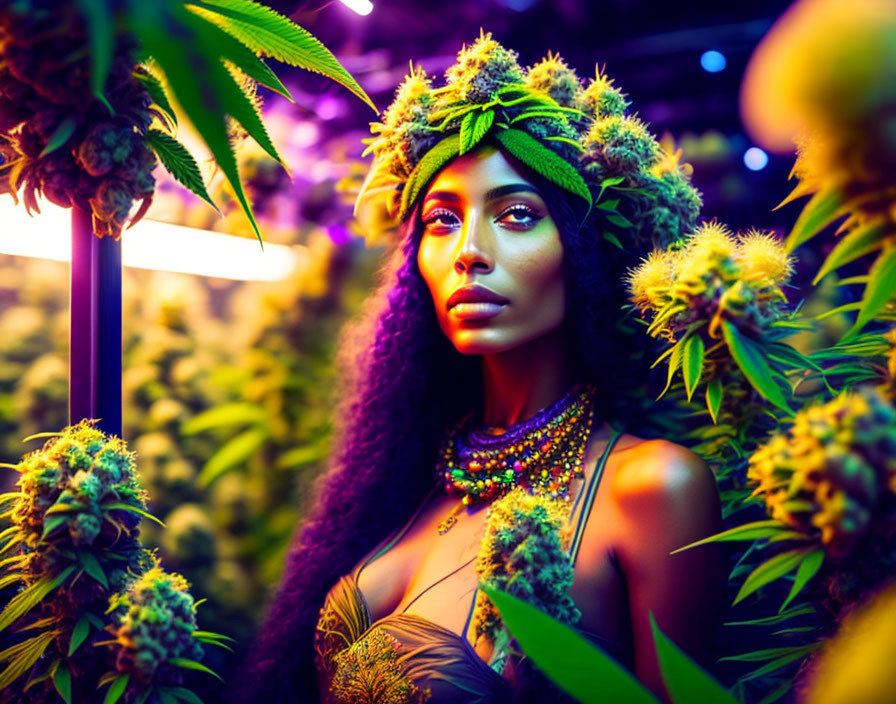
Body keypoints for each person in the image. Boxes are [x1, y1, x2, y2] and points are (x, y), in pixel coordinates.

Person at [239, 33, 724, 704]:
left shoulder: (651, 490)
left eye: (517, 215)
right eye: (442, 220)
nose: (468, 251)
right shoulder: (404, 477)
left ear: (584, 252)